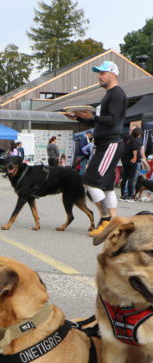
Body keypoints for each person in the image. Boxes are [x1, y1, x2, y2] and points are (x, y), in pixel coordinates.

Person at [65, 61, 127, 236]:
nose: (99, 76)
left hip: (110, 143)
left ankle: (106, 220)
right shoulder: (110, 94)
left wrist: (92, 116)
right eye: (99, 73)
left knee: (90, 181)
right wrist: (79, 118)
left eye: (102, 73)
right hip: (106, 144)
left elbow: (112, 120)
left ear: (113, 74)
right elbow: (101, 122)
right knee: (106, 186)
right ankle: (113, 223)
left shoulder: (116, 94)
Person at [120, 126, 142, 202]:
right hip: (131, 161)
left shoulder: (126, 138)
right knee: (131, 178)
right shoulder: (135, 141)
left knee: (124, 177)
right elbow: (134, 148)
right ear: (138, 134)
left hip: (124, 160)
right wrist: (135, 157)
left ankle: (122, 195)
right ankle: (130, 196)